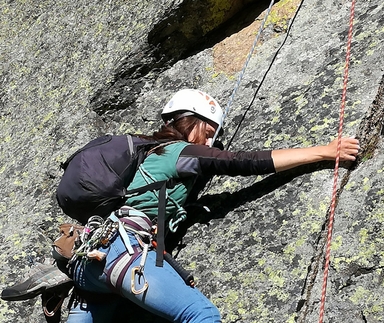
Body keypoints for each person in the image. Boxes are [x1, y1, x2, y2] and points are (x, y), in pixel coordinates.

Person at [2, 88, 360, 323]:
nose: (210, 142)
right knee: (201, 316)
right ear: (193, 123)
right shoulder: (175, 152)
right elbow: (239, 162)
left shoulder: (143, 160)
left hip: (93, 270)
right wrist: (324, 152)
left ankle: (64, 277)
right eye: (208, 132)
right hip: (123, 253)